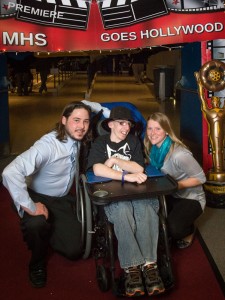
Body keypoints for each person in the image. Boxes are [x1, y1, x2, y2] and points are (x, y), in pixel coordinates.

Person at [2, 101, 92, 288]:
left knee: (74, 250)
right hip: (36, 196)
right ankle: (37, 262)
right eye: (76, 120)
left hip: (61, 200)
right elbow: (10, 172)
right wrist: (30, 206)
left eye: (86, 121)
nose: (81, 126)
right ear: (64, 120)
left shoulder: (78, 139)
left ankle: (48, 229)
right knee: (36, 223)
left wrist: (107, 111)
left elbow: (92, 106)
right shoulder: (48, 145)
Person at [87, 106, 165, 297]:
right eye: (121, 123)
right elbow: (97, 169)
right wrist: (125, 176)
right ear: (111, 124)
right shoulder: (100, 142)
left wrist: (115, 159)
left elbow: (138, 168)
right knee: (122, 210)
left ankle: (149, 265)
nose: (126, 128)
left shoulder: (133, 142)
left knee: (145, 206)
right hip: (114, 197)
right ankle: (132, 269)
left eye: (128, 124)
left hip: (137, 193)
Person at [144, 112, 206, 249]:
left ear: (166, 131)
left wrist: (174, 186)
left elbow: (201, 178)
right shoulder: (154, 148)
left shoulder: (179, 154)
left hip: (191, 198)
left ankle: (189, 230)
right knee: (151, 220)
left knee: (174, 230)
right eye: (150, 128)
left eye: (158, 128)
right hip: (169, 194)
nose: (153, 133)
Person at [195, 72, 225, 173]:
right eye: (213, 100)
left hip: (220, 134)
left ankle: (219, 169)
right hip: (213, 134)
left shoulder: (221, 111)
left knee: (219, 150)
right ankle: (218, 169)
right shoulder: (210, 112)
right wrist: (199, 83)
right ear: (211, 102)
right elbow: (202, 98)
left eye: (216, 100)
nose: (215, 101)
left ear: (219, 102)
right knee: (216, 150)